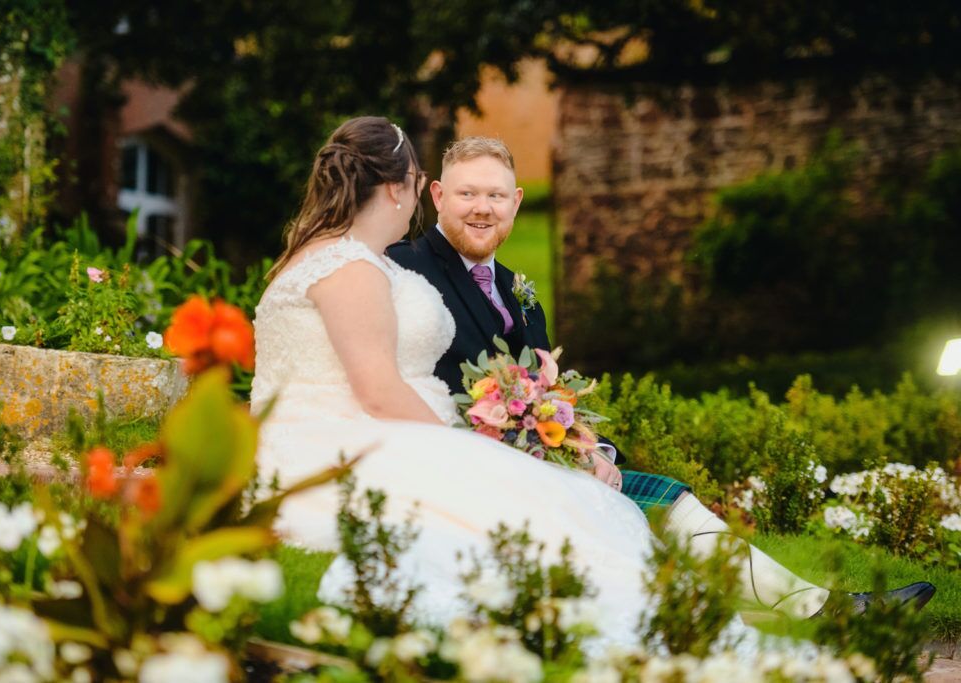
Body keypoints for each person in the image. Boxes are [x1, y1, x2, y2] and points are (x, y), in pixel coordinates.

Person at [386, 135, 935, 620]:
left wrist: (591, 446)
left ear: (516, 202)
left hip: (547, 463)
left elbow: (543, 394)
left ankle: (819, 609)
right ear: (437, 195)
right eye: (467, 194)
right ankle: (818, 613)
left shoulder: (517, 288)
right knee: (656, 514)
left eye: (495, 195)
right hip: (473, 471)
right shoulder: (406, 270)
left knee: (671, 500)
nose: (482, 209)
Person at [251, 116, 740, 649]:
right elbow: (377, 389)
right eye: (439, 188)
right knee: (562, 520)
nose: (479, 206)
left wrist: (575, 439)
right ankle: (671, 620)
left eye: (495, 195)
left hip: (401, 432)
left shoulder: (369, 264)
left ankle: (747, 600)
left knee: (616, 507)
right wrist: (474, 452)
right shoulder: (363, 266)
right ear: (405, 189)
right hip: (367, 438)